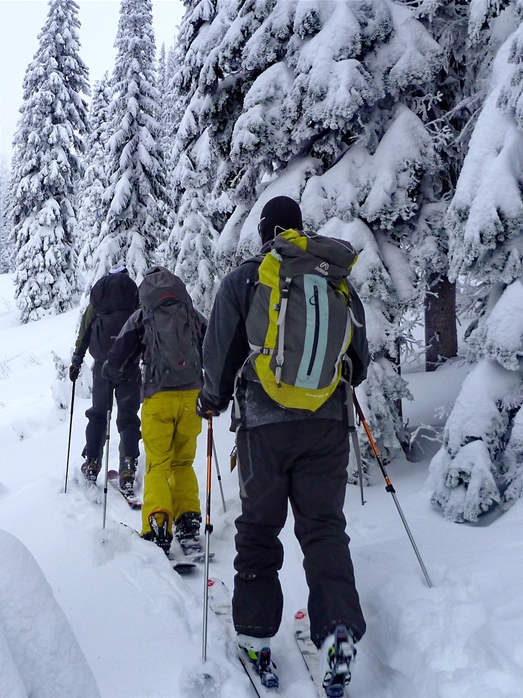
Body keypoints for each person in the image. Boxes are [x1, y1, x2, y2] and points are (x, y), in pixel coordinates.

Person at [195, 195, 370, 697]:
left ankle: (253, 637)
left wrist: (212, 401)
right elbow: (359, 359)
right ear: (298, 229)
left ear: (264, 233)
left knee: (259, 530)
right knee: (323, 530)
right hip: (326, 426)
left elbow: (221, 353)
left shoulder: (246, 279)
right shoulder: (333, 278)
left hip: (263, 431)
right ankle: (337, 629)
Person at [104, 267, 207, 556]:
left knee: (158, 465)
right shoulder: (189, 311)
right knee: (183, 463)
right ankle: (188, 522)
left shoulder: (143, 315)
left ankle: (158, 526)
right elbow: (212, 341)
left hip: (158, 397)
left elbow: (118, 354)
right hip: (192, 397)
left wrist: (111, 373)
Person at [70, 267, 142, 491]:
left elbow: (85, 332)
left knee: (98, 416)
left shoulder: (98, 300)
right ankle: (128, 465)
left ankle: (92, 462)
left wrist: (76, 360)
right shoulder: (133, 298)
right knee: (128, 417)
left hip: (102, 366)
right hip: (129, 366)